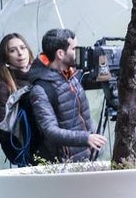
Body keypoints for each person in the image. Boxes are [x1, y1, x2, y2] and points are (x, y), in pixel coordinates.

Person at [26, 28, 106, 163]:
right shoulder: (41, 89)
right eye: (74, 49)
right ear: (60, 54)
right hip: (66, 163)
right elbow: (50, 131)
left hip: (90, 156)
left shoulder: (71, 74)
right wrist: (86, 138)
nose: (79, 52)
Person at [0, 33, 34, 161]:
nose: (20, 53)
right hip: (26, 151)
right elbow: (3, 127)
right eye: (12, 50)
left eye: (23, 48)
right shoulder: (4, 86)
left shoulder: (42, 75)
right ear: (6, 57)